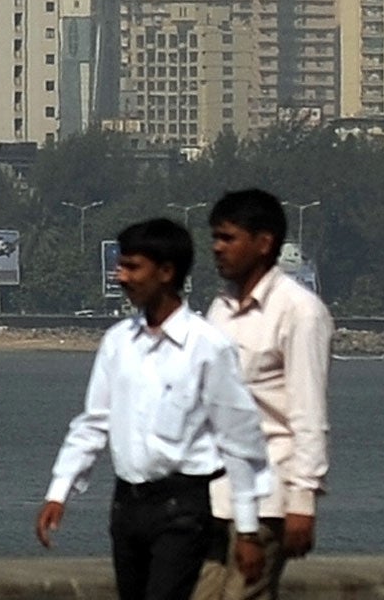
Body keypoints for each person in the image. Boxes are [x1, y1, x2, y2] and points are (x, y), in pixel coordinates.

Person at [37, 218, 271, 600]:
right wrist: (59, 491)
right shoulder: (118, 343)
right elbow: (94, 422)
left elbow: (238, 437)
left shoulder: (208, 346)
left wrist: (246, 529)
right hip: (127, 506)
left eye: (132, 267)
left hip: (182, 508)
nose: (121, 277)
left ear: (166, 272)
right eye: (120, 266)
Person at [192, 189, 334, 600]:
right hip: (214, 493)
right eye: (215, 238)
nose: (218, 249)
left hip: (268, 494)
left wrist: (302, 501)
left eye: (228, 238)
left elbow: (308, 412)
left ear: (264, 242)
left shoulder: (299, 312)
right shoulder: (220, 309)